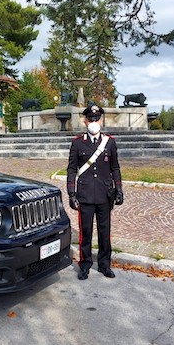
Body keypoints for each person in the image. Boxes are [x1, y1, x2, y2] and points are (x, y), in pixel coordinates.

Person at [66, 103, 124, 280]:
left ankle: (105, 264)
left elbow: (115, 168)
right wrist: (71, 193)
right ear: (85, 121)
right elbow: (71, 169)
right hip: (84, 194)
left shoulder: (110, 142)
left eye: (96, 118)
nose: (93, 121)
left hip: (105, 195)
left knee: (105, 231)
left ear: (101, 120)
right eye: (90, 118)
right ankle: (85, 265)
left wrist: (119, 190)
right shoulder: (77, 143)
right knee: (85, 232)